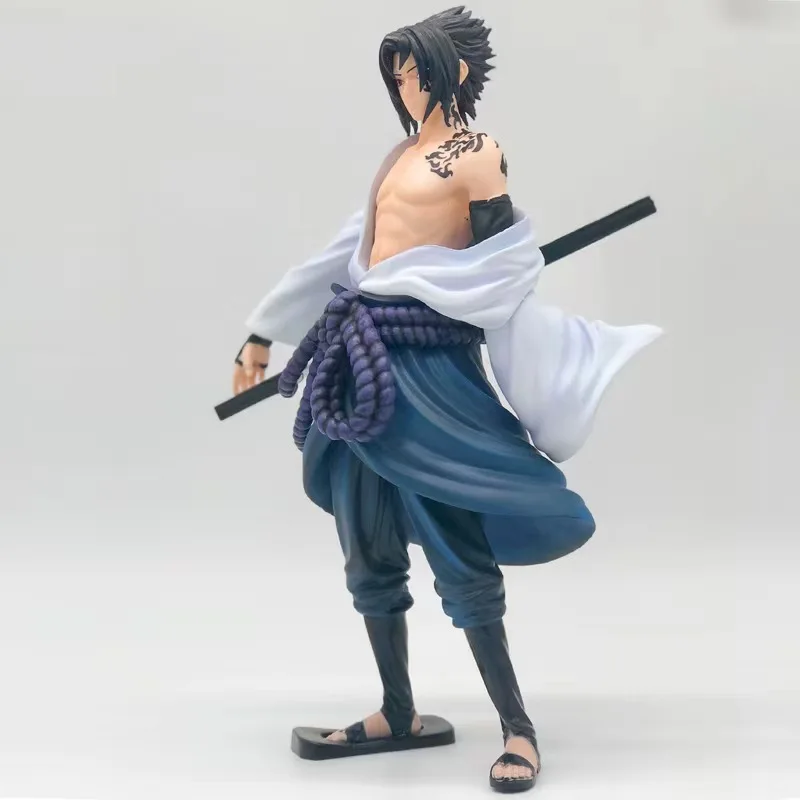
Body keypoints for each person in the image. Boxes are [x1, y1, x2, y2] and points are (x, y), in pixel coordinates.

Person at [231, 6, 661, 794]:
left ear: (451, 71)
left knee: (459, 548)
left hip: (429, 374)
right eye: (394, 74)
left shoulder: (478, 154)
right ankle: (398, 711)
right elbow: (351, 250)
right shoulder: (399, 157)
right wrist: (265, 329)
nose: (402, 85)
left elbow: (502, 267)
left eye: (412, 71)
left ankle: (518, 727)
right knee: (367, 545)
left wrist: (512, 345)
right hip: (361, 366)